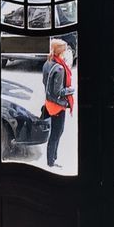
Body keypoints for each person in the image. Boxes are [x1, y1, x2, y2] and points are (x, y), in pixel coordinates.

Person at [42, 38, 75, 169]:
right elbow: (58, 91)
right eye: (65, 50)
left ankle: (52, 158)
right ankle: (51, 161)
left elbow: (45, 82)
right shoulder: (60, 69)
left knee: (55, 132)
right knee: (57, 133)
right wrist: (70, 90)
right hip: (57, 105)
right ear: (61, 52)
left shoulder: (48, 63)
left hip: (49, 103)